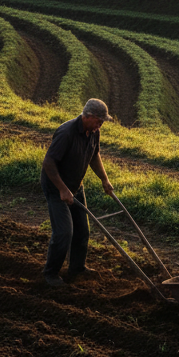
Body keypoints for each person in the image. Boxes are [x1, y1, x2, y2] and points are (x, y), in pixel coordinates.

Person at [41, 98, 115, 286]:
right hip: (56, 187)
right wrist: (63, 190)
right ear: (88, 116)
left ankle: (77, 267)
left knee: (82, 230)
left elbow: (94, 155)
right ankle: (50, 274)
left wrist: (104, 179)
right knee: (64, 232)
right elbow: (48, 163)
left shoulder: (93, 132)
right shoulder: (66, 133)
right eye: (99, 121)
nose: (100, 126)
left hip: (75, 186)